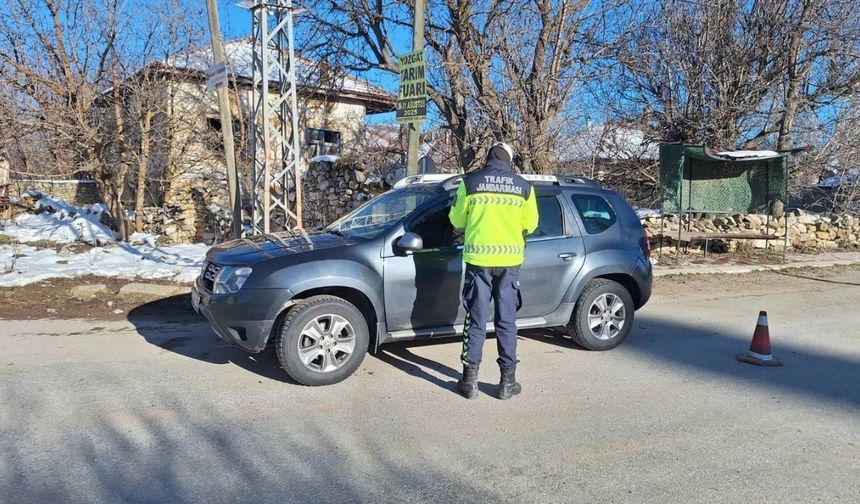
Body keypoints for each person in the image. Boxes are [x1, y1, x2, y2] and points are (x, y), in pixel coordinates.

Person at [449, 142, 539, 399]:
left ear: (489, 158)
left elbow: (456, 220)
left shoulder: (471, 182)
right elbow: (531, 224)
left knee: (476, 320)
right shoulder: (524, 187)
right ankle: (507, 384)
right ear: (509, 160)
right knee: (507, 320)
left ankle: (470, 382)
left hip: (479, 261)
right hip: (510, 263)